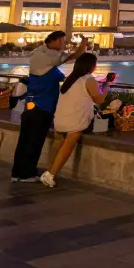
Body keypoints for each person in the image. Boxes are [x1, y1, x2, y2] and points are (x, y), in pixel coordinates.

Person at [10, 31, 88, 183]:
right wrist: (82, 46)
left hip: (32, 103)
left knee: (25, 140)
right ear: (57, 40)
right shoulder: (48, 56)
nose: (64, 45)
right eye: (63, 41)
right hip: (42, 105)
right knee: (35, 140)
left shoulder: (40, 52)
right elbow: (72, 58)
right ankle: (26, 174)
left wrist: (81, 46)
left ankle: (18, 173)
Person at [40, 53, 111, 187]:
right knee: (68, 145)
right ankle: (50, 175)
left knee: (58, 143)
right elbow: (99, 99)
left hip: (60, 118)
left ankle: (49, 171)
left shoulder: (70, 79)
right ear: (92, 66)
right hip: (75, 119)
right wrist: (107, 85)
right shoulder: (88, 79)